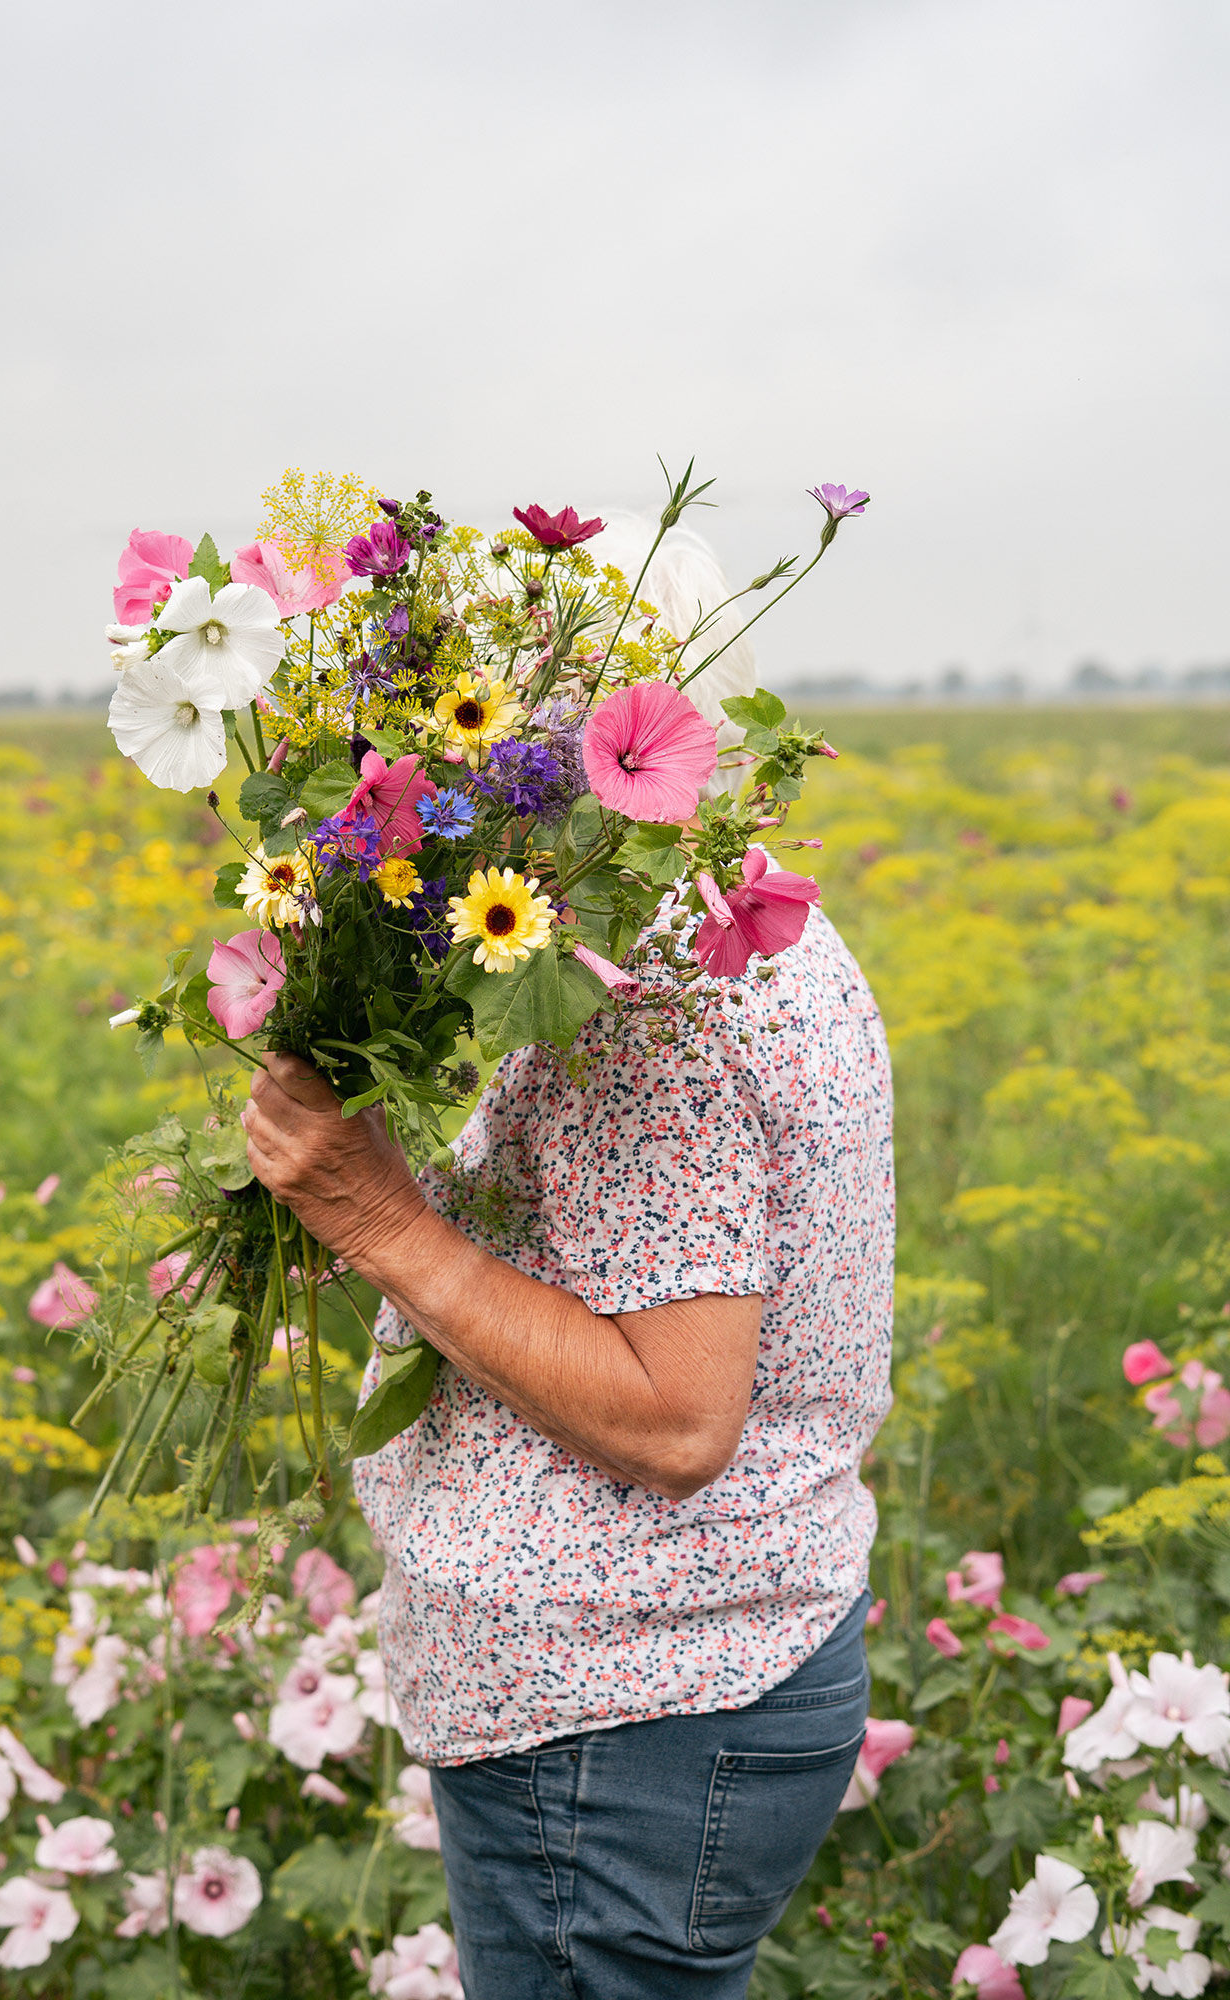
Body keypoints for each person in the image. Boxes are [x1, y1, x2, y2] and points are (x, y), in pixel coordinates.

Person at [238, 531, 894, 1999]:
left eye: (483, 715)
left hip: (626, 1716)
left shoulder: (657, 1003)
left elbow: (675, 1418)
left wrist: (385, 1221)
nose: (460, 764)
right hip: (680, 1687)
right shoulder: (722, 922)